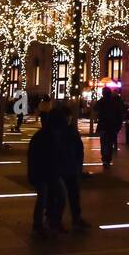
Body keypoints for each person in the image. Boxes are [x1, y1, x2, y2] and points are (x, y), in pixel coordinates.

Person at [29, 106, 68, 237]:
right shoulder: (44, 136)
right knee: (44, 199)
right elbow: (36, 157)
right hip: (43, 172)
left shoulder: (55, 135)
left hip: (52, 172)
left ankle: (51, 222)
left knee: (56, 197)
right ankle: (39, 225)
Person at [58, 101, 91, 230]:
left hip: (68, 167)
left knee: (69, 195)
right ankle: (67, 219)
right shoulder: (68, 131)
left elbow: (79, 150)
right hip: (67, 167)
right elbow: (79, 150)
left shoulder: (68, 131)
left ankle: (61, 219)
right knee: (66, 195)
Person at [95, 87, 124, 169]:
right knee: (110, 144)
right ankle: (107, 160)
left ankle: (105, 159)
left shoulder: (102, 101)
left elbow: (95, 108)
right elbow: (119, 115)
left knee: (104, 143)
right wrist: (118, 127)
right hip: (112, 127)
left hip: (103, 126)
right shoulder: (114, 102)